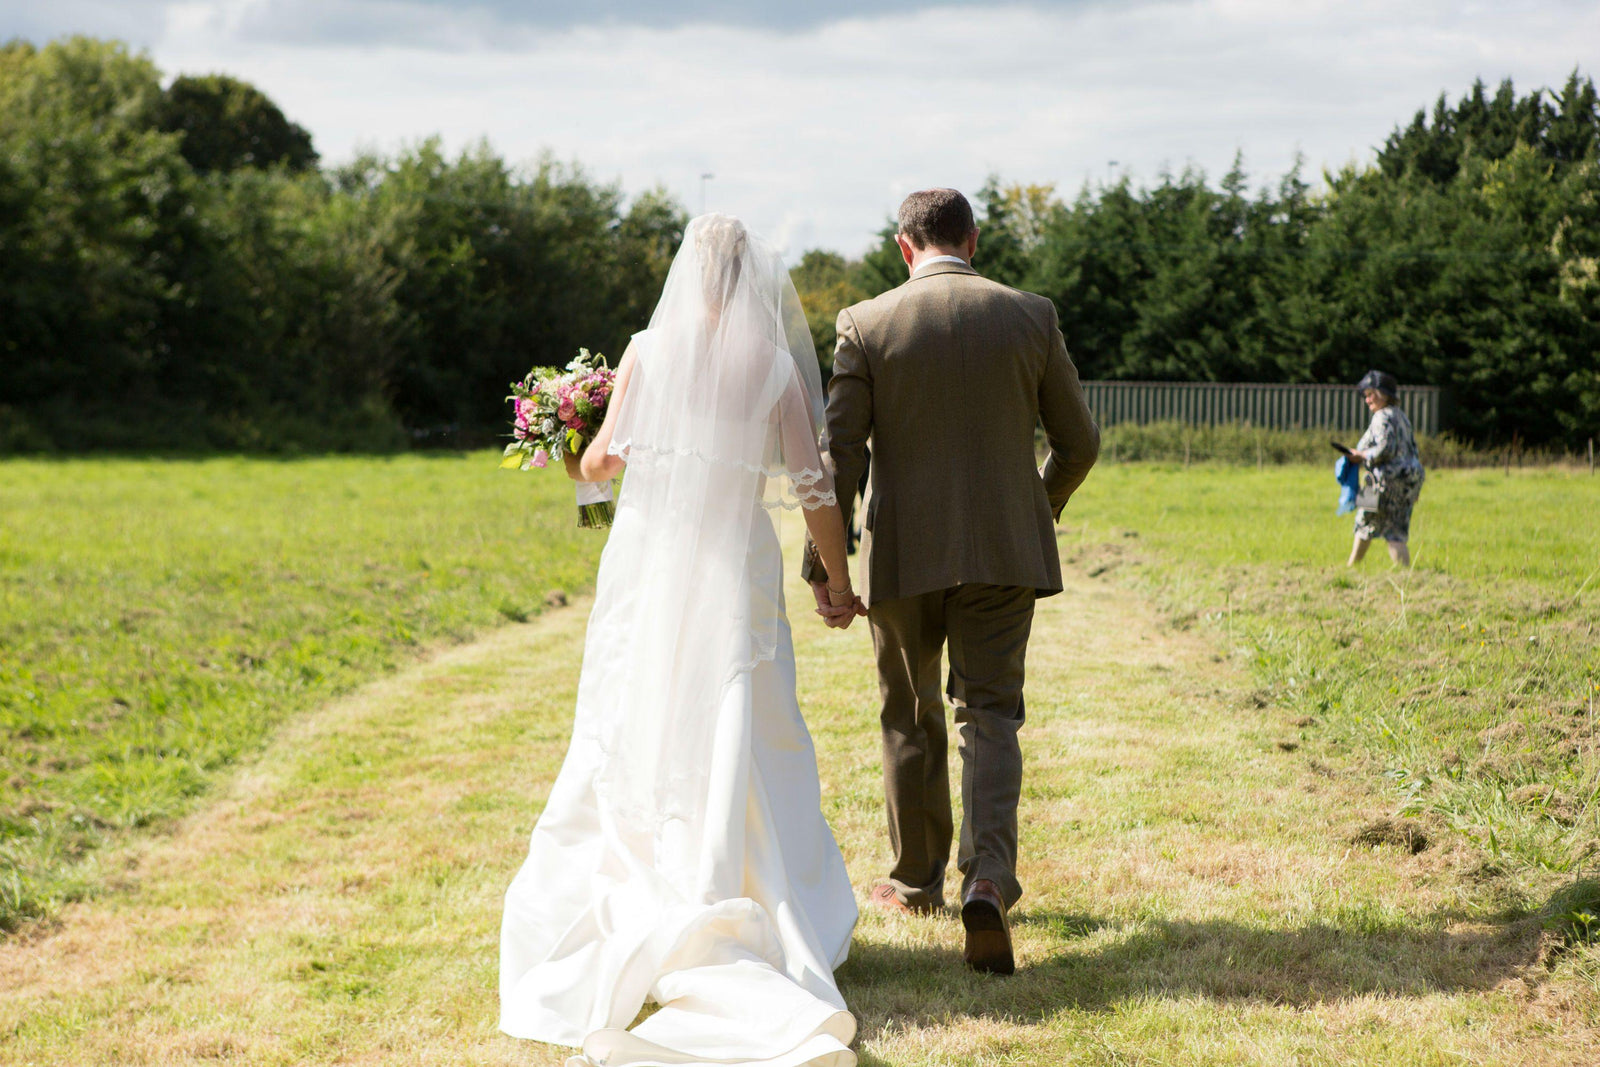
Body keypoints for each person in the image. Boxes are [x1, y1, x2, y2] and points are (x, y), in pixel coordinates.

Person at [499, 215, 865, 1067]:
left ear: (689, 272)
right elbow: (815, 485)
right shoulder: (774, 364)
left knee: (638, 713)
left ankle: (648, 886)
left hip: (651, 564)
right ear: (752, 278)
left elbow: (600, 469)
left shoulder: (646, 349)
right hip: (735, 567)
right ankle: (746, 895)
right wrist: (839, 585)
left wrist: (565, 436)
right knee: (743, 721)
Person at [802, 188, 1099, 975]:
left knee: (909, 711)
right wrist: (1036, 504)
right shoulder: (1030, 315)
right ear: (974, 240)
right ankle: (991, 877)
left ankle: (915, 880)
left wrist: (823, 568)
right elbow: (1081, 441)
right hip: (1004, 552)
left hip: (901, 555)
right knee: (991, 711)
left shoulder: (865, 323)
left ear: (905, 248)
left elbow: (840, 457)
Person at [1346, 369, 1425, 569]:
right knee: (1396, 532)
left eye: (1370, 394)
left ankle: (1351, 568)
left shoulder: (1381, 417)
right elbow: (1413, 450)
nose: (1367, 400)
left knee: (1364, 523)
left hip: (1379, 481)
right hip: (1408, 480)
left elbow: (1385, 449)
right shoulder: (1402, 417)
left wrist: (1361, 455)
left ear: (1383, 394)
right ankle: (1406, 577)